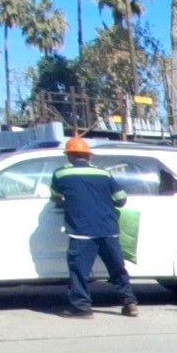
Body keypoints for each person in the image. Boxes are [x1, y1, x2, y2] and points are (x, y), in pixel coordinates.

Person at [50, 136, 137, 318]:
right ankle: (129, 303)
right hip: (108, 229)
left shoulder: (60, 174)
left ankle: (82, 308)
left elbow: (56, 198)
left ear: (69, 156)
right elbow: (121, 199)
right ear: (89, 156)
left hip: (81, 232)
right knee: (117, 269)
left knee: (79, 272)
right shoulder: (104, 174)